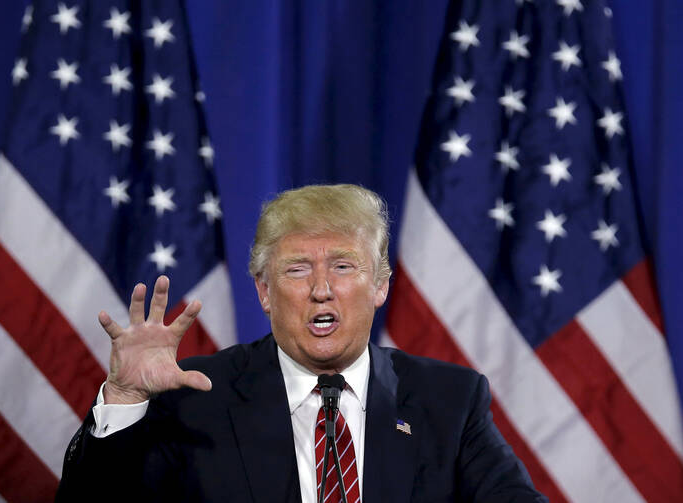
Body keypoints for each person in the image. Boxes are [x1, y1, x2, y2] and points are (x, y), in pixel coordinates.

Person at [56, 184, 547, 502]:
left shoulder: (449, 401)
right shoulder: (197, 397)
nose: (321, 288)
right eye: (297, 269)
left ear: (380, 285)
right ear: (264, 292)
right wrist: (123, 400)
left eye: (343, 265)